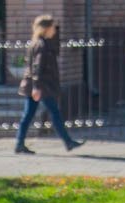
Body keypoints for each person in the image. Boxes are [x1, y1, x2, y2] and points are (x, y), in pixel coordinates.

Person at [15, 15, 84, 154]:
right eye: (52, 27)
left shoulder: (38, 42)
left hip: (36, 85)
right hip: (41, 86)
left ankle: (19, 144)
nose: (55, 30)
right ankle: (68, 142)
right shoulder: (42, 45)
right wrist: (36, 87)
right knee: (54, 113)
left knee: (28, 115)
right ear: (45, 29)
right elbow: (37, 67)